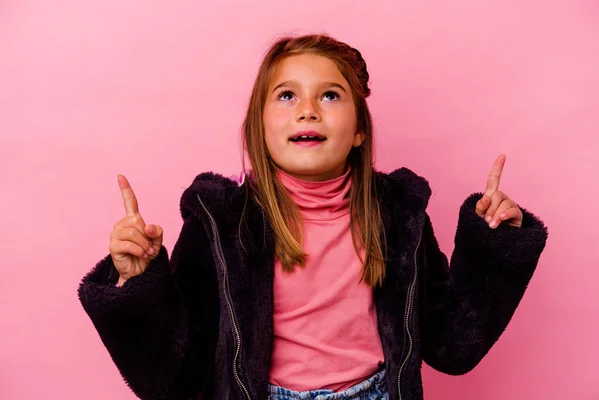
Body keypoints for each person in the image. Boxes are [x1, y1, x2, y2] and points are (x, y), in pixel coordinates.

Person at [78, 34, 549, 400]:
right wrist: (137, 284)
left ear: (360, 129)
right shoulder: (221, 222)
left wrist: (494, 245)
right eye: (286, 96)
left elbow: (453, 344)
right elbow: (175, 375)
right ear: (258, 127)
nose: (307, 110)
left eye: (329, 96)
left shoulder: (396, 216)